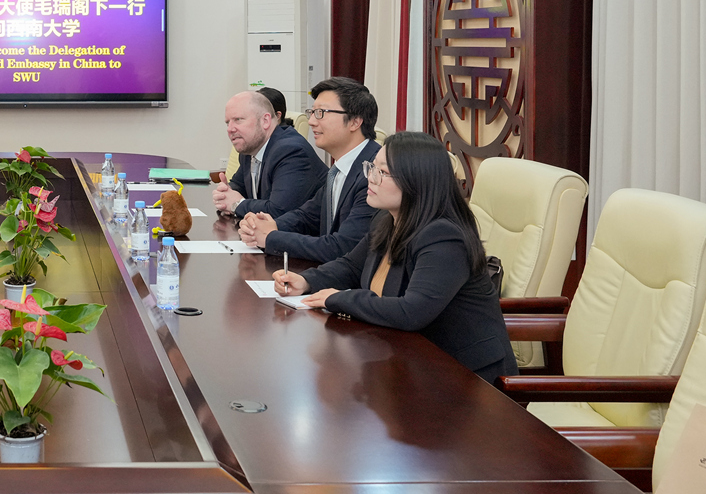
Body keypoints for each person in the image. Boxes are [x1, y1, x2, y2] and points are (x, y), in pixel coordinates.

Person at [273, 132, 517, 385]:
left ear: (416, 181)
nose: (370, 178)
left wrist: (338, 298)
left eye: (383, 172)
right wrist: (307, 281)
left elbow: (412, 312)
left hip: (466, 377)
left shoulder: (444, 237)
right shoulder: (388, 218)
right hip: (412, 361)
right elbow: (351, 266)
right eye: (371, 167)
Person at [238, 77, 381, 263]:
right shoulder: (339, 169)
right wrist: (268, 226)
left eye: (321, 113)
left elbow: (342, 247)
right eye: (312, 112)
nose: (312, 121)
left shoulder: (374, 173)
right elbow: (307, 216)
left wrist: (271, 237)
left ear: (355, 121)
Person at [212, 90, 324, 220]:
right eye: (228, 123)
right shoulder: (249, 148)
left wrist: (236, 204)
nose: (230, 129)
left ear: (265, 120)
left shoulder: (291, 151)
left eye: (238, 120)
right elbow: (238, 186)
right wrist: (225, 194)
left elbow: (278, 211)